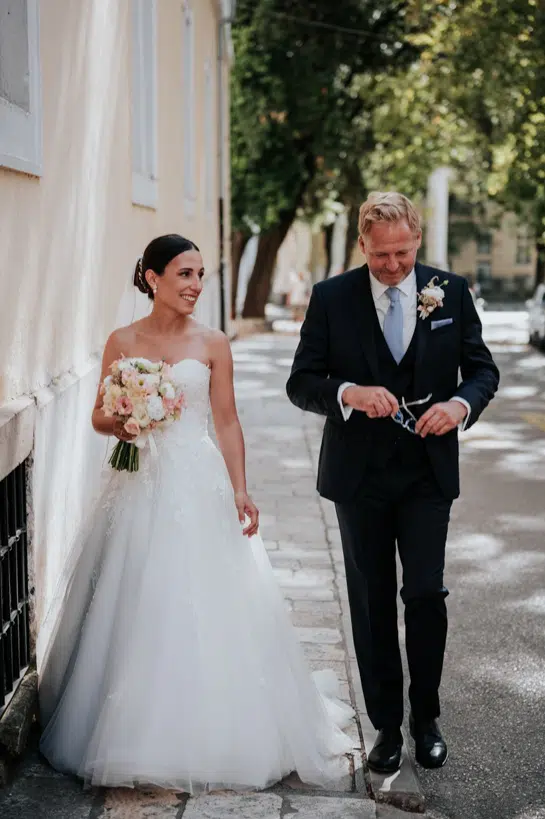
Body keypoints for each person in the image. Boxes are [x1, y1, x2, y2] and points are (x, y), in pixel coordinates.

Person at [38, 234, 354, 792]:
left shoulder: (214, 344)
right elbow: (97, 417)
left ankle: (216, 728)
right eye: (184, 274)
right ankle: (132, 729)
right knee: (137, 599)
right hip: (137, 485)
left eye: (201, 275)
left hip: (198, 484)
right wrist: (129, 418)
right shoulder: (121, 340)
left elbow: (227, 421)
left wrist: (240, 490)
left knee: (207, 600)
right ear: (152, 277)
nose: (195, 286)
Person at [286, 193, 499, 773]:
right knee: (373, 600)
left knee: (425, 593)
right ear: (363, 244)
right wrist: (348, 394)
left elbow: (482, 371)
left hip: (428, 474)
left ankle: (425, 716)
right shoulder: (332, 298)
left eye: (403, 253)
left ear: (417, 241)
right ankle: (385, 726)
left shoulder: (450, 292)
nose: (393, 266)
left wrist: (459, 405)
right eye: (381, 255)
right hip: (360, 478)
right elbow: (301, 381)